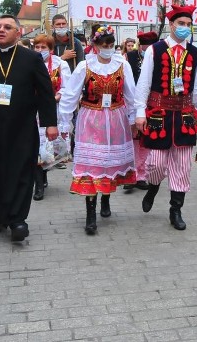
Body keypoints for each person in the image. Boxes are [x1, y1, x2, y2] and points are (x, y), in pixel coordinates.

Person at [0, 14, 58, 242]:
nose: (1, 30)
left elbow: (45, 91)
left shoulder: (31, 58)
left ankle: (17, 219)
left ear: (18, 32)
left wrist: (50, 123)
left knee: (20, 171)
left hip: (21, 125)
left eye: (7, 27)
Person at [133, 0, 197, 231]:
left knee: (182, 166)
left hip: (185, 114)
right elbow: (144, 83)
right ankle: (154, 187)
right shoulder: (155, 50)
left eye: (188, 23)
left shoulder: (195, 53)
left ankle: (176, 210)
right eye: (181, 23)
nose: (185, 26)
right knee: (155, 163)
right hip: (158, 113)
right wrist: (139, 112)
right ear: (171, 24)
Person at [59, 25, 138, 235]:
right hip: (91, 119)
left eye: (112, 45)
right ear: (95, 46)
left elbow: (131, 95)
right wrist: (65, 123)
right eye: (104, 45)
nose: (108, 49)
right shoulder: (85, 66)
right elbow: (70, 95)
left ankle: (106, 198)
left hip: (116, 118)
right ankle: (90, 213)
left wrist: (134, 118)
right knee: (93, 164)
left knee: (109, 161)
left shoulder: (123, 65)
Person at [31, 34, 71, 201]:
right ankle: (38, 185)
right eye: (37, 47)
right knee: (36, 147)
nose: (40, 51)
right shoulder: (29, 62)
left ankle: (44, 175)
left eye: (43, 48)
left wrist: (55, 97)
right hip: (33, 110)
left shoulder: (60, 64)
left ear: (51, 50)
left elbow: (67, 87)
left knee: (49, 147)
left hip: (53, 109)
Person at [124, 31, 159, 192]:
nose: (148, 49)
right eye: (145, 45)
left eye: (151, 45)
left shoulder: (160, 56)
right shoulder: (130, 57)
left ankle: (142, 175)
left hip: (153, 104)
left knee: (146, 141)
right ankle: (130, 174)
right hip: (133, 103)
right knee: (132, 141)